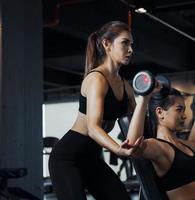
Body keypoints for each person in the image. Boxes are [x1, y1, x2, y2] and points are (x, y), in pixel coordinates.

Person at [48, 21, 157, 200]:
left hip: (92, 159)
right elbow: (92, 128)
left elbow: (140, 126)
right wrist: (118, 150)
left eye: (131, 44)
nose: (131, 49)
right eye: (125, 43)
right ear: (107, 44)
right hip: (67, 159)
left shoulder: (125, 86)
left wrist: (148, 97)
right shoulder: (96, 79)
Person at [142, 88, 195, 200]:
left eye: (184, 110)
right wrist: (143, 99)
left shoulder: (178, 144)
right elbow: (132, 146)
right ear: (160, 112)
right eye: (179, 110)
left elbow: (194, 143)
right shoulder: (157, 146)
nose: (184, 116)